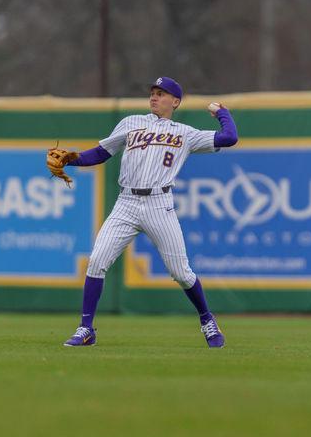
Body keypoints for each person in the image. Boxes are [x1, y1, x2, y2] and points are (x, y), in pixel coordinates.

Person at [63, 76, 238, 347]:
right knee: (97, 261)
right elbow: (101, 153)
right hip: (126, 203)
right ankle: (86, 328)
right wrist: (71, 158)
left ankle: (207, 320)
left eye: (161, 93)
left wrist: (222, 113)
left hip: (160, 205)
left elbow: (230, 138)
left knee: (181, 272)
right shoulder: (131, 122)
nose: (154, 97)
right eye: (153, 92)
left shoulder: (185, 133)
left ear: (175, 101)